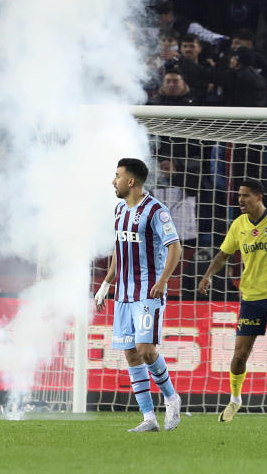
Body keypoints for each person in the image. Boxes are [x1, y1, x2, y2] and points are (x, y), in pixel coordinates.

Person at [198, 179, 267, 423]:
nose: (240, 200)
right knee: (240, 353)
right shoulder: (238, 225)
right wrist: (207, 276)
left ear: (258, 197)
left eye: (245, 195)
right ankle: (235, 399)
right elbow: (224, 254)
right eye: (239, 195)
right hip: (251, 297)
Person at [93, 158, 183, 432]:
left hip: (147, 292)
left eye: (117, 176)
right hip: (123, 294)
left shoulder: (157, 211)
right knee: (131, 354)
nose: (113, 181)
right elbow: (120, 251)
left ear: (131, 181)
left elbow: (175, 248)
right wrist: (107, 283)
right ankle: (148, 418)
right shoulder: (119, 210)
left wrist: (163, 281)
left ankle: (171, 397)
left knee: (146, 351)